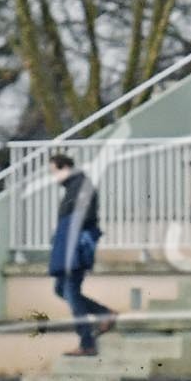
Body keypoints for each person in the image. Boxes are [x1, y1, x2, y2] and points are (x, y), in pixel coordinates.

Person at [47, 153, 114, 357]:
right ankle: (104, 313)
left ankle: (87, 343)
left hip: (74, 250)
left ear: (65, 167)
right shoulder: (74, 187)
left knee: (70, 292)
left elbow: (85, 218)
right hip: (68, 249)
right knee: (61, 289)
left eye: (54, 171)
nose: (53, 177)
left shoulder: (81, 186)